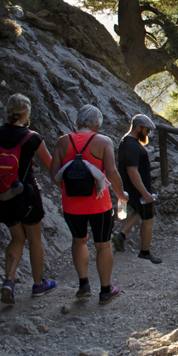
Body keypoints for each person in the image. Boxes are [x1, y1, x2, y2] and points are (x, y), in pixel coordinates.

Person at [0, 94, 56, 304]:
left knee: (16, 238)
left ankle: (8, 281)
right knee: (34, 239)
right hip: (27, 195)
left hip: (2, 195)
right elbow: (51, 166)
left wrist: (0, 183)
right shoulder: (32, 138)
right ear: (26, 113)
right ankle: (38, 284)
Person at [50, 105, 128, 305]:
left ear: (78, 120)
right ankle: (105, 290)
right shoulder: (103, 141)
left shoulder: (62, 141)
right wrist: (121, 194)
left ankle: (83, 285)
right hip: (99, 205)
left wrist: (68, 190)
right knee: (103, 244)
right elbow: (112, 173)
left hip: (71, 205)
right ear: (97, 122)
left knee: (79, 241)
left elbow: (54, 173)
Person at [112, 114, 161, 263]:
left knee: (138, 212)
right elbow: (132, 171)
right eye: (147, 130)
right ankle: (145, 252)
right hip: (138, 190)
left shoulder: (125, 141)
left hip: (132, 188)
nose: (148, 133)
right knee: (148, 218)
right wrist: (145, 193)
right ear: (138, 128)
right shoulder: (132, 145)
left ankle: (121, 236)